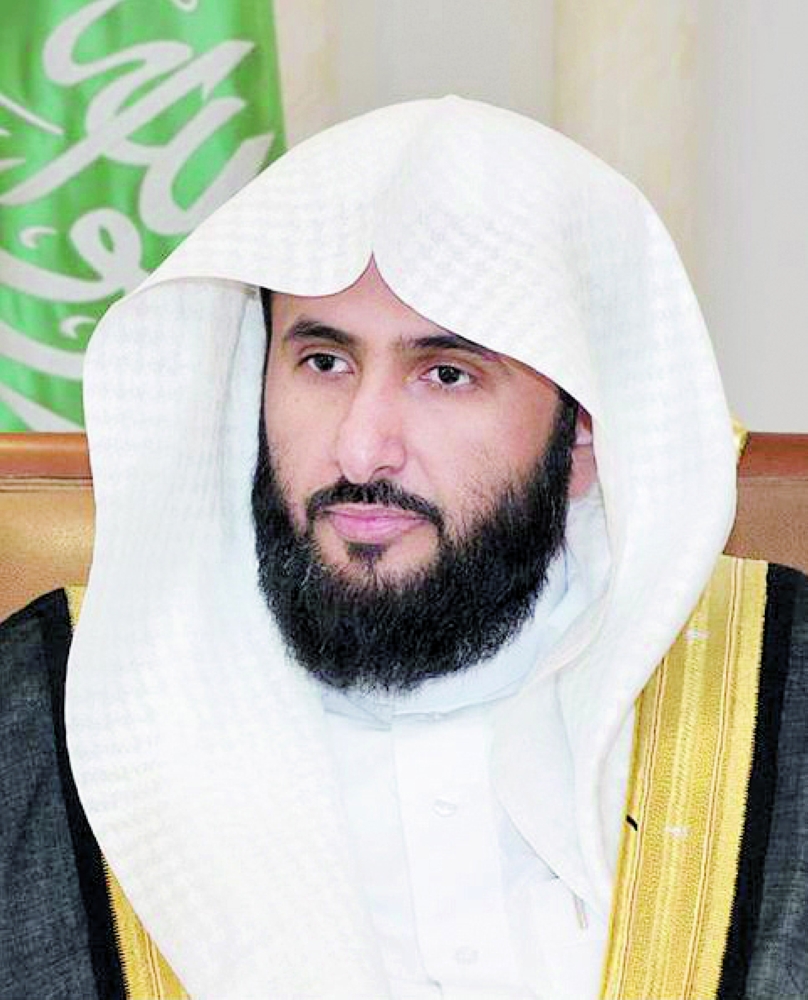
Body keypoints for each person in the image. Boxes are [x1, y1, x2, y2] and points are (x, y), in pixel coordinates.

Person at [1, 96, 806, 1000]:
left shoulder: (778, 697)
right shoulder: (34, 728)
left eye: (446, 375)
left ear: (583, 434)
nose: (360, 449)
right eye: (324, 363)